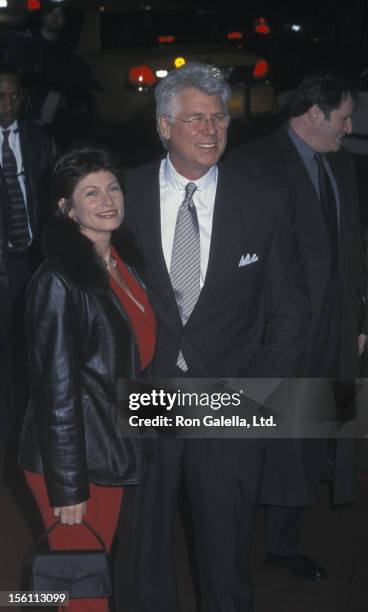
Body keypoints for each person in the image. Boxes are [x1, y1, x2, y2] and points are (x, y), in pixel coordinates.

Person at [114, 62, 309, 612]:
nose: (210, 129)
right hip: (146, 395)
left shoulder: (264, 201)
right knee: (144, 556)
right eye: (195, 118)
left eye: (219, 118)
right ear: (162, 125)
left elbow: (291, 313)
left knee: (225, 558)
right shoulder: (119, 198)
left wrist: (260, 392)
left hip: (228, 398)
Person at [226, 71, 366, 581]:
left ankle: (285, 540)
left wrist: (357, 316)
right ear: (314, 114)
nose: (349, 127)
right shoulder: (252, 163)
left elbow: (352, 247)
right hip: (277, 332)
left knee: (316, 433)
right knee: (267, 441)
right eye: (344, 116)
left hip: (334, 328)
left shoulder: (342, 166)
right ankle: (233, 545)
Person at [18, 144, 156, 612]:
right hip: (75, 460)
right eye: (91, 192)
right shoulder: (58, 281)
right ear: (65, 207)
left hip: (107, 446)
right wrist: (69, 486)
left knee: (87, 579)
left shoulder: (120, 263)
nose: (107, 200)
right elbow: (56, 392)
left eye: (113, 187)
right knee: (82, 591)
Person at [0, 63, 54, 441]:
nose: (8, 104)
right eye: (0, 96)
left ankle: (32, 431)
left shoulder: (41, 142)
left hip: (34, 261)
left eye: (15, 96)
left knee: (37, 349)